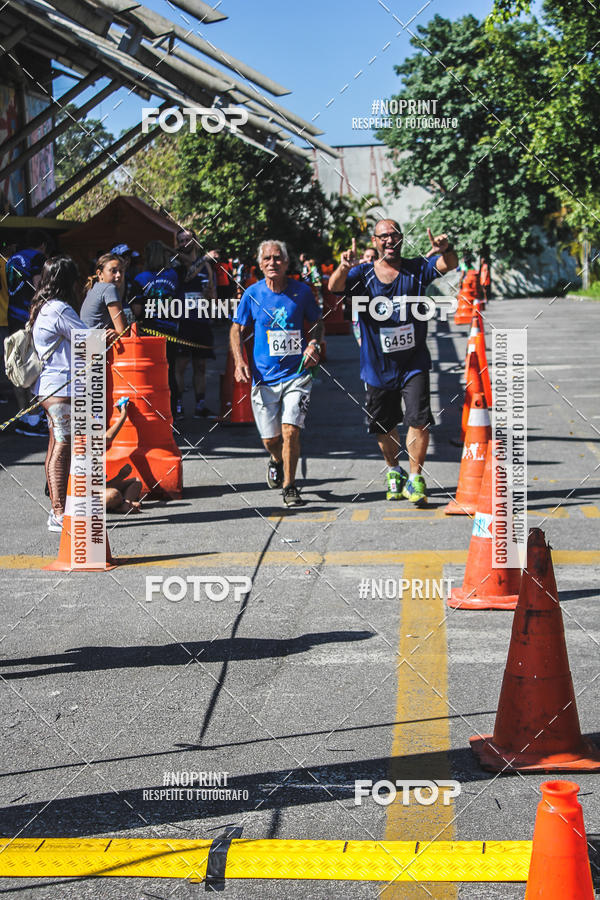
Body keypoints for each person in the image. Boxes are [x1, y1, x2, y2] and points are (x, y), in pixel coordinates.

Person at [328, 221, 458, 507]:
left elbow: (449, 264)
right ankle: (394, 470)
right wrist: (343, 267)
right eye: (383, 236)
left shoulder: (416, 268)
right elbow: (334, 287)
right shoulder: (361, 274)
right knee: (383, 425)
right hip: (377, 366)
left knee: (419, 419)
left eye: (394, 235)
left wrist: (447, 249)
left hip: (414, 363)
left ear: (401, 239)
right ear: (375, 241)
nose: (389, 240)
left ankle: (415, 478)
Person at [230, 239, 323, 507]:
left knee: (291, 430)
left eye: (278, 258)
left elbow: (317, 322)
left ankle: (290, 486)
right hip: (264, 377)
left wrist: (314, 343)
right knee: (271, 439)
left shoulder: (301, 292)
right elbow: (236, 329)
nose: (273, 263)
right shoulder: (252, 294)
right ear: (260, 264)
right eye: (267, 258)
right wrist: (239, 361)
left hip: (297, 374)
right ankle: (276, 458)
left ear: (286, 262)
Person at [30, 256, 88, 532]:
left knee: (57, 445)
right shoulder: (60, 309)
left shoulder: (43, 306)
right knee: (62, 447)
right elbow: (86, 338)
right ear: (69, 280)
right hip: (61, 387)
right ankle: (58, 512)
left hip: (52, 387)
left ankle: (59, 508)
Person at [130, 241, 181, 419]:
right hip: (170, 330)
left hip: (149, 331)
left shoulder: (140, 279)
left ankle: (153, 412)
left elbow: (136, 310)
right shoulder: (173, 275)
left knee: (150, 372)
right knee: (169, 371)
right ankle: (172, 412)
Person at [6, 229, 49, 436]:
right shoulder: (37, 258)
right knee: (34, 364)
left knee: (17, 364)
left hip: (12, 315)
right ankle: (34, 417)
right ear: (43, 245)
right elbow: (38, 286)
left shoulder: (11, 259)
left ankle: (23, 413)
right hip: (29, 316)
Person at [174, 228, 216, 419]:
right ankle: (178, 406)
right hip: (183, 321)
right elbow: (188, 275)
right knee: (181, 365)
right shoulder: (177, 264)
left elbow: (213, 295)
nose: (185, 244)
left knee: (201, 366)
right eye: (181, 241)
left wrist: (209, 295)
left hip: (201, 321)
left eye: (188, 239)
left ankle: (200, 406)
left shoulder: (207, 266)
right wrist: (204, 259)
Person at [105, 399, 143, 513]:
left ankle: (125, 504)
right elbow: (108, 437)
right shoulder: (81, 444)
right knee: (113, 494)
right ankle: (122, 504)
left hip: (100, 489)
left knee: (136, 482)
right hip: (86, 496)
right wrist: (121, 476)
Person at [80, 253, 128, 337]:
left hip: (83, 342)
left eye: (121, 271)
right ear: (99, 273)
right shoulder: (109, 288)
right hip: (96, 343)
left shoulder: (93, 288)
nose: (119, 275)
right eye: (113, 271)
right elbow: (123, 332)